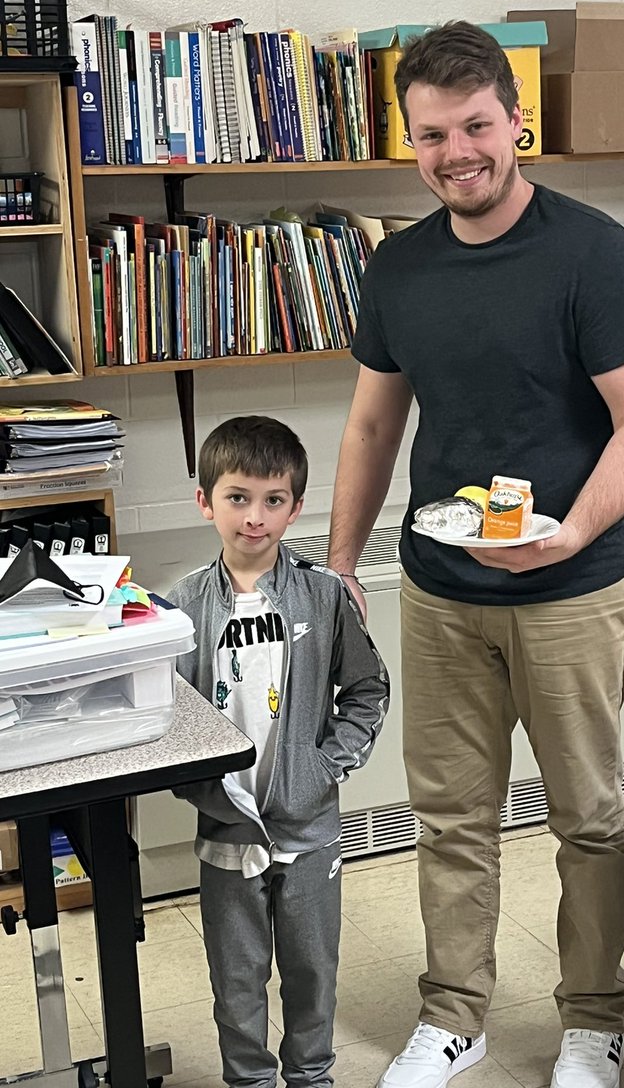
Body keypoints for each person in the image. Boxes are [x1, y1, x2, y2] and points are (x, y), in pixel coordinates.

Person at [327, 20, 624, 1088]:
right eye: (430, 135)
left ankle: (590, 1023)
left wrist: (571, 531)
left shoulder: (593, 256)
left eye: (475, 125)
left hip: (571, 586)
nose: (456, 153)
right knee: (451, 818)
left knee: (587, 816)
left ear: (516, 120)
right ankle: (455, 1015)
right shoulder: (402, 267)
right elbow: (374, 427)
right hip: (442, 592)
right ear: (411, 141)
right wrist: (342, 565)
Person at [167, 415, 389, 1088]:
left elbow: (367, 689)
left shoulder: (323, 596)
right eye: (237, 498)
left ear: (295, 507)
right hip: (227, 833)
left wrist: (324, 767)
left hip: (310, 830)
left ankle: (311, 1075)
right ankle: (250, 1081)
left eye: (273, 501)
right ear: (206, 501)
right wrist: (197, 784)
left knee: (311, 970)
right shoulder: (183, 606)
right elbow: (169, 712)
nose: (254, 518)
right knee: (237, 981)